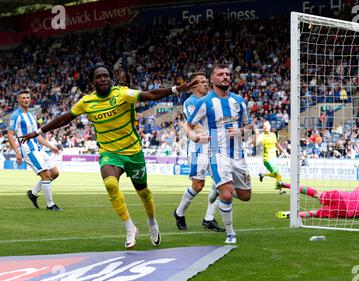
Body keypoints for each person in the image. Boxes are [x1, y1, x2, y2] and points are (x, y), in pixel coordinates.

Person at [20, 63, 198, 249]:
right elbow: (65, 118)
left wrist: (176, 89)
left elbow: (151, 95)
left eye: (106, 76)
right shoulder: (87, 102)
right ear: (93, 81)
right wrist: (39, 131)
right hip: (109, 153)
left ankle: (152, 222)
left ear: (111, 78)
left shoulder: (122, 93)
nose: (103, 79)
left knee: (143, 192)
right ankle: (130, 227)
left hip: (132, 152)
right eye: (99, 76)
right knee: (111, 185)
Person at [185, 64, 253, 244]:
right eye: (220, 74)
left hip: (238, 156)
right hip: (217, 155)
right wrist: (195, 137)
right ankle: (231, 233)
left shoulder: (239, 101)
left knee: (246, 196)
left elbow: (250, 127)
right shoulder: (205, 102)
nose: (225, 77)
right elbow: (188, 126)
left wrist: (242, 132)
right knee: (227, 195)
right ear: (213, 79)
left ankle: (220, 188)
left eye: (227, 74)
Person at [172, 71, 225, 232]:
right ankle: (179, 212)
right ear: (193, 85)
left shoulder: (212, 100)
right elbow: (194, 125)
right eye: (201, 82)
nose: (205, 83)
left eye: (205, 81)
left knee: (221, 183)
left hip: (215, 147)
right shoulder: (190, 102)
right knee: (198, 185)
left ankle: (209, 218)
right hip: (199, 149)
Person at [7, 89, 62, 211]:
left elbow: (37, 135)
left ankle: (33, 193)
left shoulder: (32, 115)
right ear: (18, 100)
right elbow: (10, 135)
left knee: (55, 173)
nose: (26, 100)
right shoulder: (16, 116)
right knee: (46, 175)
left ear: (30, 99)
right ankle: (50, 205)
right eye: (23, 98)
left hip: (39, 149)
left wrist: (51, 146)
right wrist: (17, 152)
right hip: (28, 150)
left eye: (27, 97)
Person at [277, 183, 359, 219]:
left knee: (316, 193)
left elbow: (356, 192)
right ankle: (290, 215)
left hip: (341, 195)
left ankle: (286, 184)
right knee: (315, 213)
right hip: (346, 209)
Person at [254, 121, 289, 194]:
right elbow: (255, 143)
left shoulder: (273, 135)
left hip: (274, 158)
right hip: (267, 159)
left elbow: (277, 144)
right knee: (278, 174)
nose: (265, 126)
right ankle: (280, 189)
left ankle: (263, 175)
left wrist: (284, 151)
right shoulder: (262, 135)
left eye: (267, 125)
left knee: (277, 174)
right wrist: (256, 134)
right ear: (263, 127)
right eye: (264, 125)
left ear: (270, 126)